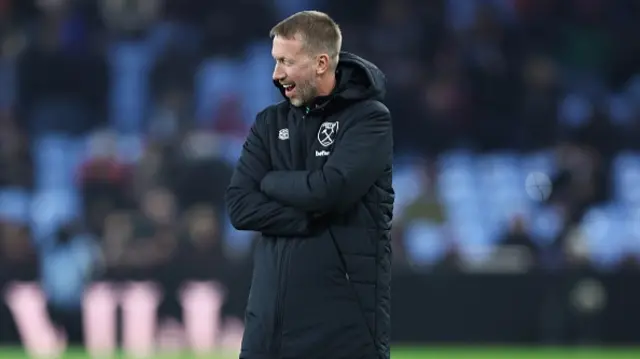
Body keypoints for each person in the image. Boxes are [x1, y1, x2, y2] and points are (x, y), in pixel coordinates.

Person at [225, 10, 393, 359]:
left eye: (286, 61)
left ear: (320, 63)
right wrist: (307, 217)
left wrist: (270, 182)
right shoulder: (268, 124)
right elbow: (240, 207)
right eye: (275, 61)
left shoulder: (369, 120)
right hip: (267, 328)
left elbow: (331, 191)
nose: (276, 74)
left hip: (343, 330)